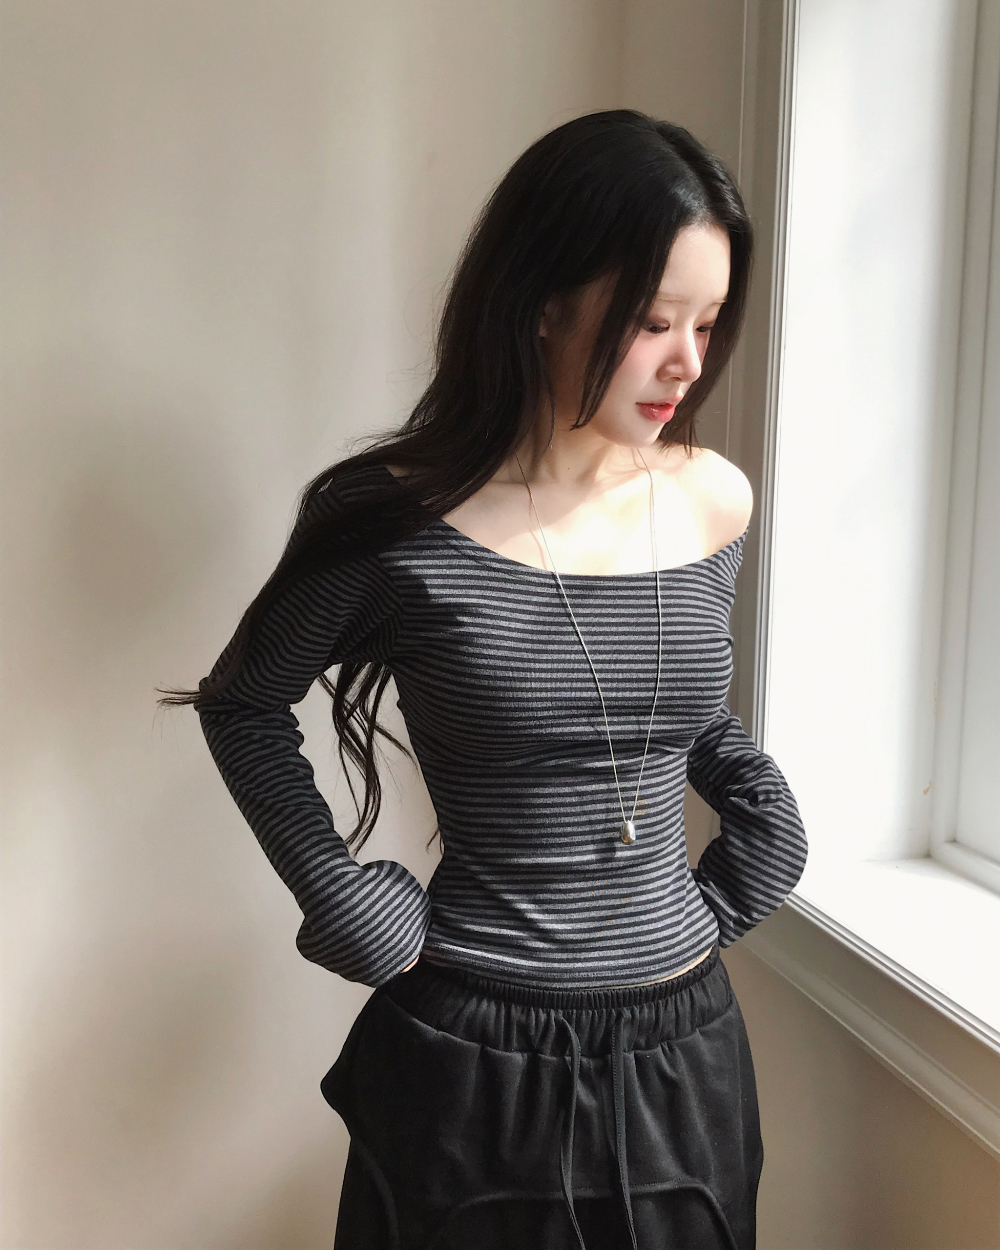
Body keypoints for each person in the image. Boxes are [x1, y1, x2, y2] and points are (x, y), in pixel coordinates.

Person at [161, 109, 808, 1250]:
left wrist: (763, 822)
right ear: (543, 300)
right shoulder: (393, 518)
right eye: (652, 320)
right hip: (479, 1057)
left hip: (685, 1045)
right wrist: (336, 890)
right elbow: (245, 704)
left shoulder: (712, 497)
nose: (687, 362)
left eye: (707, 324)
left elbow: (672, 704)